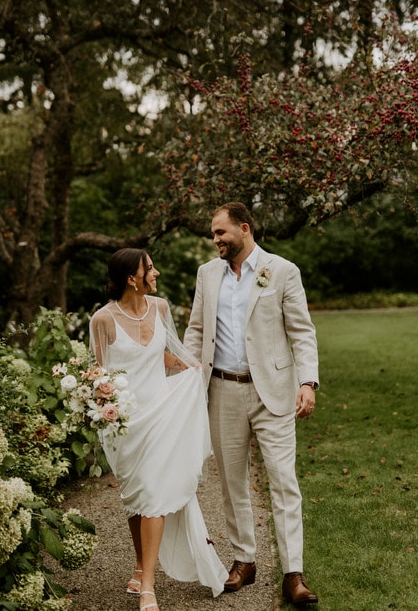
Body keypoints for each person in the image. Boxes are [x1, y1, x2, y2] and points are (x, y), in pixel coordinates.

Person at [184, 202, 320, 606]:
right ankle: (244, 560)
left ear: (244, 229)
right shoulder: (207, 274)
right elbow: (195, 329)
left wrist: (307, 382)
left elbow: (302, 332)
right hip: (222, 391)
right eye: (213, 234)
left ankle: (293, 573)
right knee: (231, 483)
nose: (215, 240)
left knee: (283, 482)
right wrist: (189, 378)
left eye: (221, 233)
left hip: (273, 392)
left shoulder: (281, 270)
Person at [89, 248, 228, 611]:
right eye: (149, 268)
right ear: (131, 279)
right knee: (137, 497)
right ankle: (139, 567)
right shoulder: (102, 321)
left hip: (161, 414)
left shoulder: (160, 308)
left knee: (152, 495)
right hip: (126, 425)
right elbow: (97, 374)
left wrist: (188, 366)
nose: (157, 273)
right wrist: (102, 407)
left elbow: (160, 354)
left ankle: (148, 585)